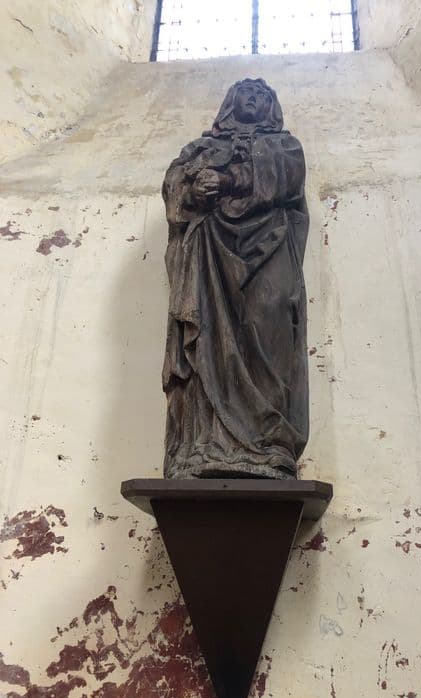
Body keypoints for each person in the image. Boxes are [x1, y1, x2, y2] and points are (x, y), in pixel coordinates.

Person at [161, 78, 309, 480]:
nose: (255, 97)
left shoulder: (284, 145)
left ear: (272, 107)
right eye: (247, 91)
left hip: (270, 245)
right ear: (230, 103)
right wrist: (194, 188)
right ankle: (204, 445)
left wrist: (227, 180)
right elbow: (175, 186)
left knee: (270, 320)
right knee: (208, 334)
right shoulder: (200, 149)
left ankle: (270, 443)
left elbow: (288, 177)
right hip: (211, 250)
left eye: (263, 94)